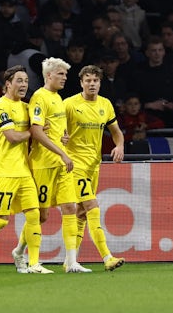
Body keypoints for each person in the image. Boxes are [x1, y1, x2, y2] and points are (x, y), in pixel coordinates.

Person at [12, 57, 90, 273]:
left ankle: (71, 262)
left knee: (70, 208)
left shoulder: (58, 98)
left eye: (65, 74)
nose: (65, 78)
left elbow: (54, 131)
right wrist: (61, 153)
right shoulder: (39, 98)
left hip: (61, 163)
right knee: (42, 216)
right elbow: (36, 132)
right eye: (61, 74)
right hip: (43, 164)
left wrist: (62, 141)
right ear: (49, 76)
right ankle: (19, 252)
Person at [0, 65, 48, 275]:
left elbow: (40, 133)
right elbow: (13, 137)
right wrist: (33, 133)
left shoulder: (26, 107)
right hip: (3, 170)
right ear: (8, 84)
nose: (24, 85)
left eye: (25, 81)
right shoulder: (0, 107)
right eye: (19, 81)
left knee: (34, 214)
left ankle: (33, 263)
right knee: (1, 220)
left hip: (23, 170)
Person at [63, 64, 126, 271]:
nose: (92, 84)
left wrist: (119, 145)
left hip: (93, 166)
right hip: (75, 165)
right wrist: (61, 139)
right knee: (92, 206)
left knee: (81, 213)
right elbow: (55, 130)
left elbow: (115, 130)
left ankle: (70, 261)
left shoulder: (105, 104)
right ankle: (107, 257)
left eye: (95, 80)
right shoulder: (69, 104)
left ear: (100, 83)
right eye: (88, 80)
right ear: (81, 83)